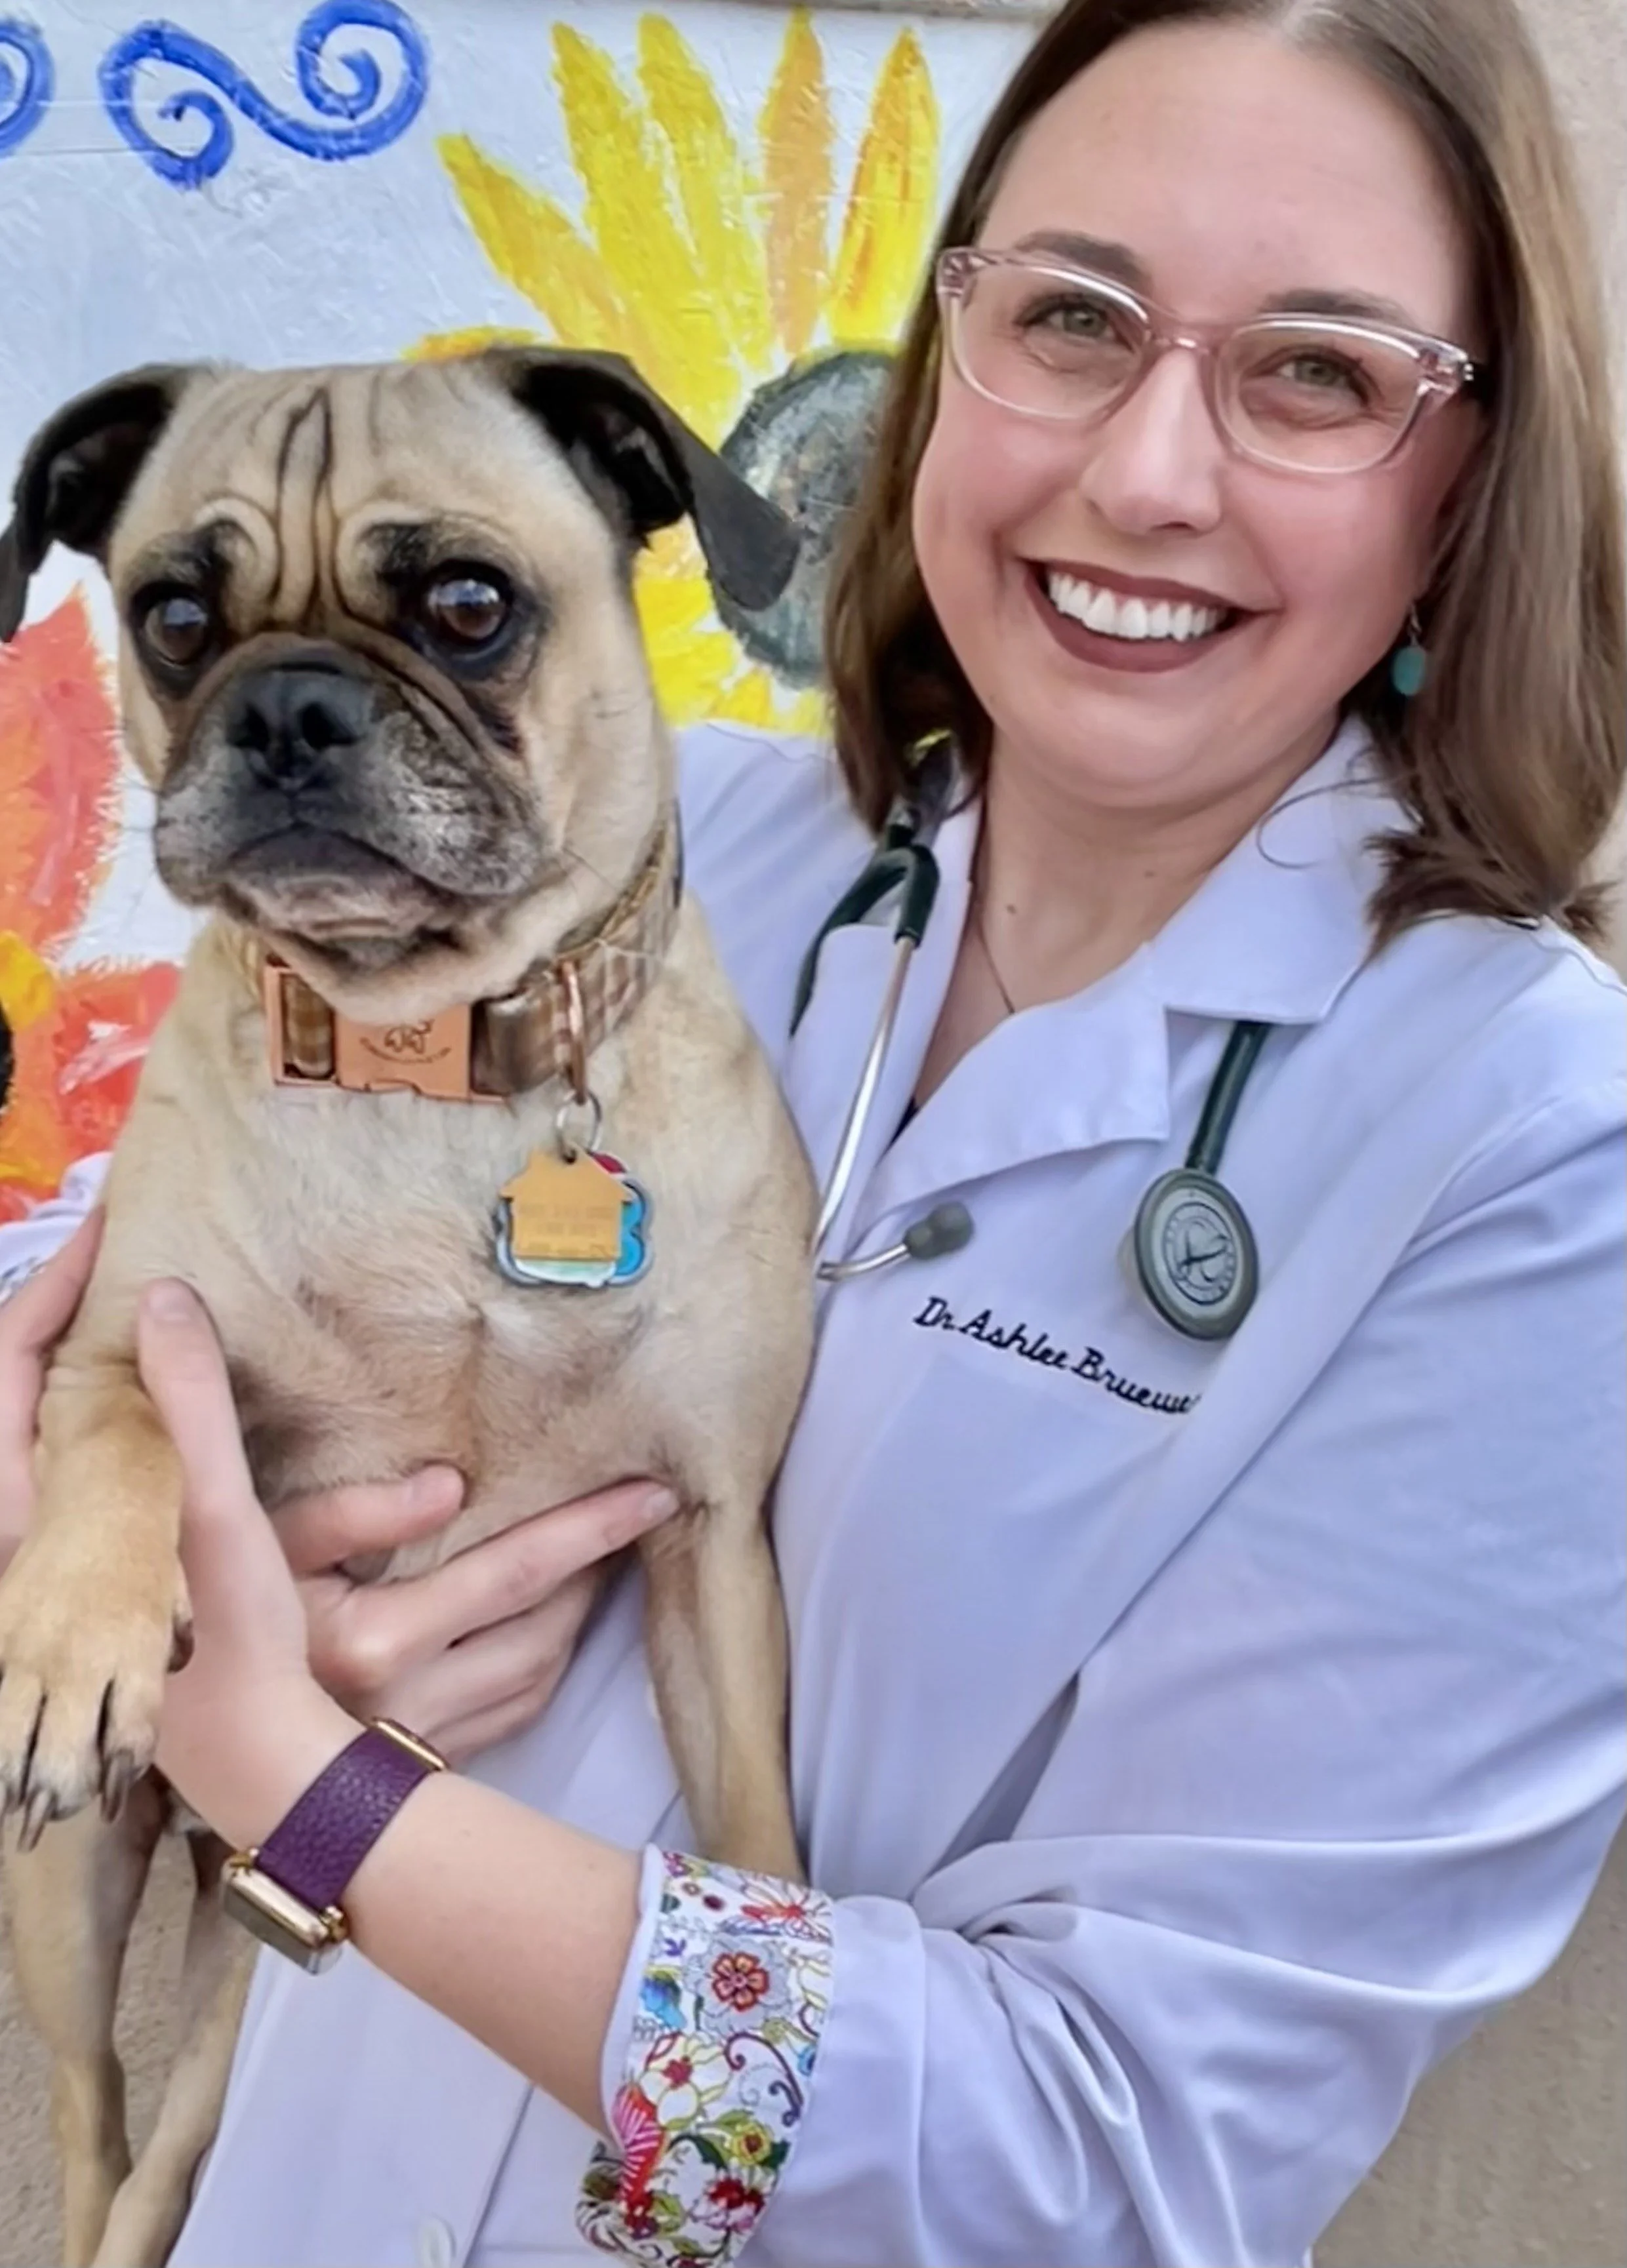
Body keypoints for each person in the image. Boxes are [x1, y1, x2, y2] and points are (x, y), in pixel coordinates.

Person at [2, 0, 1624, 2259]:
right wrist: (85, 1524)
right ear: (943, 359)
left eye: (1319, 371)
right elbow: (113, 1355)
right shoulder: (645, 851)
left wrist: (303, 1781)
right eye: (1070, 315)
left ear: (1478, 480)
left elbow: (1112, 2154)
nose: (1149, 472)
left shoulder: (1536, 1158)